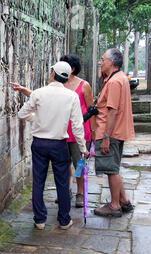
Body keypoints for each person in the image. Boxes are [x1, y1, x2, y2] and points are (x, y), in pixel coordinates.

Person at [10, 61, 89, 230]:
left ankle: (39, 219)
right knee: (62, 182)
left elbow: (22, 114)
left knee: (38, 181)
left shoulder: (39, 93)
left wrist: (37, 119)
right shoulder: (72, 96)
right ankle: (64, 219)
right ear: (66, 77)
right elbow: (77, 125)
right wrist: (83, 148)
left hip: (39, 143)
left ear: (52, 73)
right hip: (59, 144)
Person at [93, 48, 135, 217]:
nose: (100, 62)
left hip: (111, 131)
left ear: (111, 62)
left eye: (102, 59)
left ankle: (114, 205)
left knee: (111, 170)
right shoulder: (119, 78)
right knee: (114, 167)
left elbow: (112, 111)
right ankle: (124, 201)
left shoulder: (114, 82)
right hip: (117, 130)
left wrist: (105, 137)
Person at [59, 54, 95, 208]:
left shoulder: (84, 85)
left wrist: (93, 131)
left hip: (80, 131)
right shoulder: (58, 83)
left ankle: (80, 192)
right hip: (61, 129)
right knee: (63, 163)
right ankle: (66, 190)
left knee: (79, 163)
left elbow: (91, 109)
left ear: (72, 68)